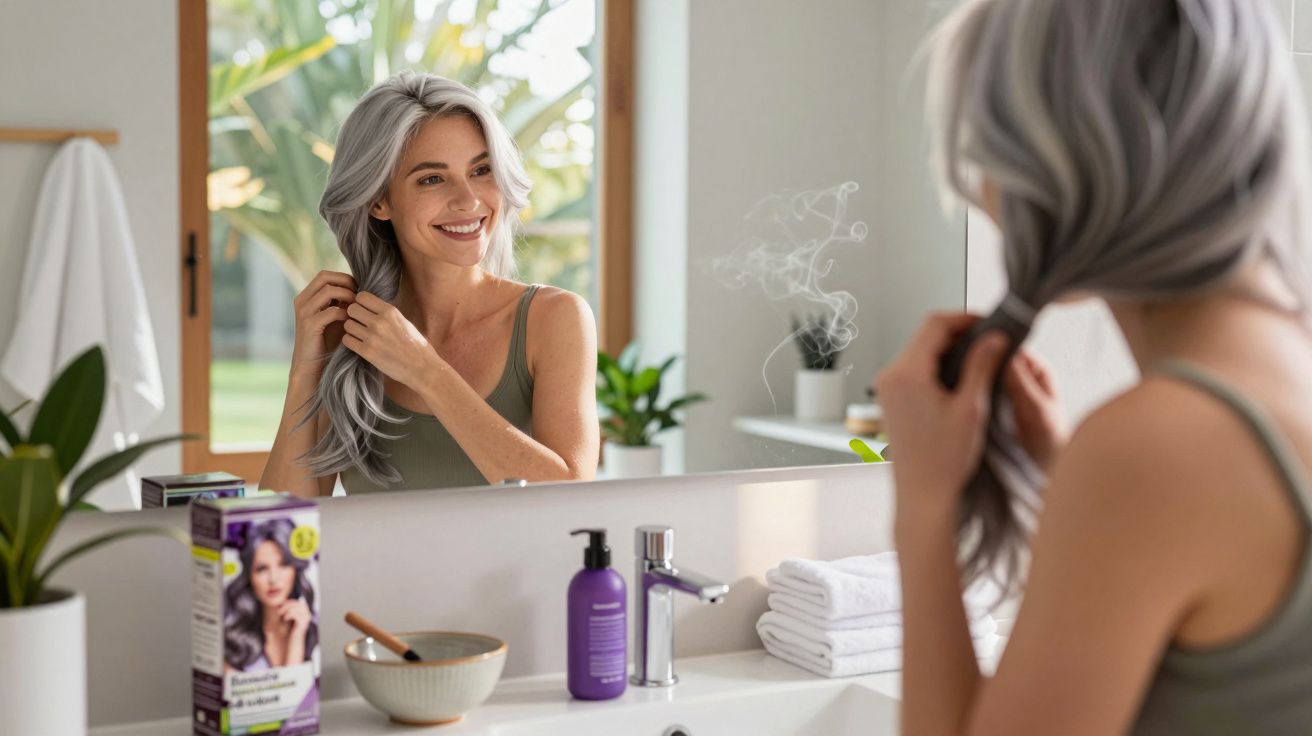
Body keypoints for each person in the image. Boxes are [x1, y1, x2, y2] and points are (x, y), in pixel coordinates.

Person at [876, 0, 1312, 732]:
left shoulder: (1157, 448)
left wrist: (923, 514)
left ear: (1056, 156)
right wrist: (1067, 483)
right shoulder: (1280, 374)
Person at [260, 72, 599, 496]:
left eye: (481, 170)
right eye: (432, 179)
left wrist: (425, 370)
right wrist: (305, 368)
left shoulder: (554, 319)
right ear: (378, 201)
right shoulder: (353, 335)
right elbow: (279, 527)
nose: (469, 200)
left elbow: (572, 496)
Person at [224, 519, 317, 672]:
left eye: (283, 564)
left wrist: (298, 633)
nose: (273, 579)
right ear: (249, 577)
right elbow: (292, 693)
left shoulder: (313, 628)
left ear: (295, 569)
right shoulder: (234, 641)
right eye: (262, 569)